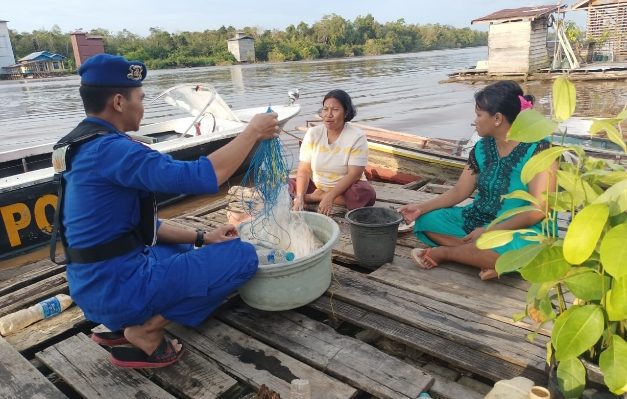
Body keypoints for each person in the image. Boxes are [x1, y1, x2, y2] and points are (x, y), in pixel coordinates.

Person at [51, 54, 279, 368]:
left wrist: (204, 236)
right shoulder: (115, 150)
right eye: (140, 98)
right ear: (119, 101)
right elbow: (205, 175)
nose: (143, 107)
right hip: (121, 289)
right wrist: (251, 132)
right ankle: (145, 329)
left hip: (92, 287)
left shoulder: (77, 144)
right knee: (241, 257)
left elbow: (145, 225)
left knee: (186, 246)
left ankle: (121, 326)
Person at [399, 81, 555, 280]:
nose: (475, 121)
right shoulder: (482, 147)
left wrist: (491, 231)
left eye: (479, 115)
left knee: (530, 248)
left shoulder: (539, 149)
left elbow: (539, 210)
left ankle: (449, 254)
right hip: (478, 218)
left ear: (497, 118)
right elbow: (459, 191)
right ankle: (484, 258)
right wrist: (422, 207)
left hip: (521, 227)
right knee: (427, 221)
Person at [290, 89, 376, 215]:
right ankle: (311, 196)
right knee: (285, 186)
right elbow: (304, 169)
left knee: (366, 193)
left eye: (335, 110)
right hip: (317, 185)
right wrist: (299, 196)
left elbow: (354, 174)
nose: (328, 114)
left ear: (346, 112)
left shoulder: (356, 136)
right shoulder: (313, 133)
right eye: (325, 109)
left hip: (345, 188)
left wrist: (329, 196)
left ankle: (316, 197)